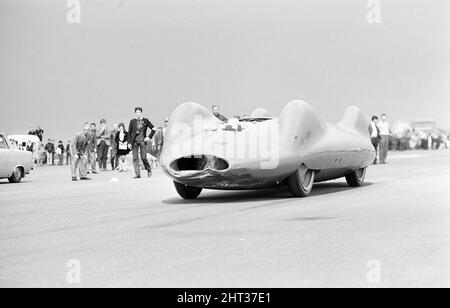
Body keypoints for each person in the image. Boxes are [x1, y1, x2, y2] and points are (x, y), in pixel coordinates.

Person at [128, 107, 156, 179]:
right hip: (134, 142)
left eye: (139, 112)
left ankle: (148, 169)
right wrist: (129, 143)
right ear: (135, 113)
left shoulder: (145, 120)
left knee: (143, 157)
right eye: (136, 112)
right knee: (135, 158)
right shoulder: (132, 121)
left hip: (143, 141)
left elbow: (154, 128)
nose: (138, 114)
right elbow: (129, 133)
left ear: (141, 113)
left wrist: (149, 137)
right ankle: (137, 174)